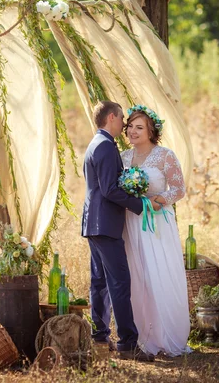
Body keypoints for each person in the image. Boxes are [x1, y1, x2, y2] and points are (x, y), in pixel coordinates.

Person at [81, 100, 159, 362]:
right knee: (119, 282)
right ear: (111, 117)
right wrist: (140, 204)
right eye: (122, 117)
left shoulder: (97, 144)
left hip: (95, 224)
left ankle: (100, 337)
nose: (124, 123)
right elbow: (109, 189)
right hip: (104, 225)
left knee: (101, 282)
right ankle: (128, 342)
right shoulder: (104, 147)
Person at [121, 104, 192, 357]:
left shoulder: (165, 156)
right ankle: (141, 335)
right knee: (136, 275)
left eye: (139, 127)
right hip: (131, 223)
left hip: (157, 222)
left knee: (158, 273)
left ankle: (167, 334)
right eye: (130, 126)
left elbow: (179, 189)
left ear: (151, 131)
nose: (132, 131)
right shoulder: (123, 158)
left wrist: (155, 202)